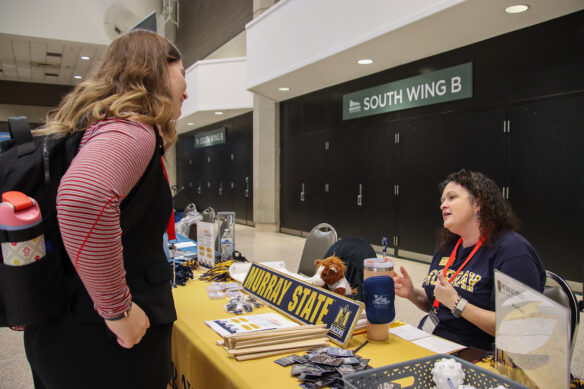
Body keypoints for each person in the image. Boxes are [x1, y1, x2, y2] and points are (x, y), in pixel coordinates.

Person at [23, 30, 187, 388]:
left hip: (65, 328)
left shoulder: (87, 129)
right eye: (182, 73)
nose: (186, 89)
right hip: (105, 345)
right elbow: (83, 198)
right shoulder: (132, 128)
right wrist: (119, 311)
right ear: (158, 70)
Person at [393, 169, 545, 351]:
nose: (443, 205)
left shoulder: (513, 252)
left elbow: (518, 328)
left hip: (473, 354)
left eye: (451, 198)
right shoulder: (448, 246)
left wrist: (459, 305)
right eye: (442, 201)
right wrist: (413, 294)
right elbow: (439, 303)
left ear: (478, 203)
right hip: (431, 341)